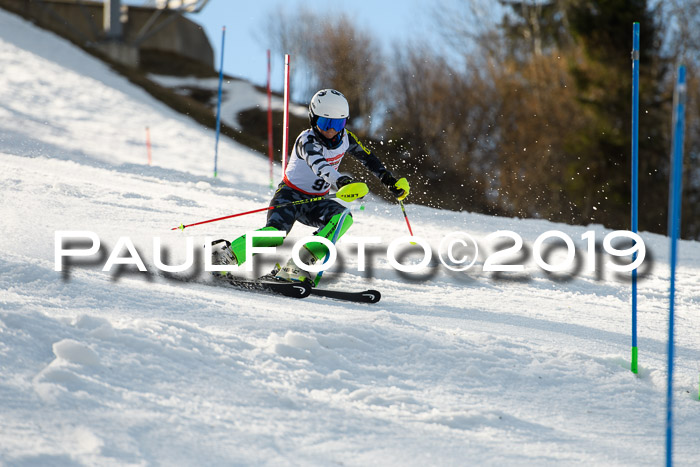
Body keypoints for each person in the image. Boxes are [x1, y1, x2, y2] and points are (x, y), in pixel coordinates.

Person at [211, 88, 409, 285]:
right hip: (289, 196)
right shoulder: (306, 140)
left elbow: (369, 159)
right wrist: (340, 181)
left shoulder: (346, 138)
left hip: (316, 202)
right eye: (325, 122)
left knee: (342, 218)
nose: (332, 130)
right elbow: (319, 165)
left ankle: (297, 265)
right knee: (274, 235)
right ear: (314, 119)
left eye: (338, 123)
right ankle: (224, 257)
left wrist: (390, 181)